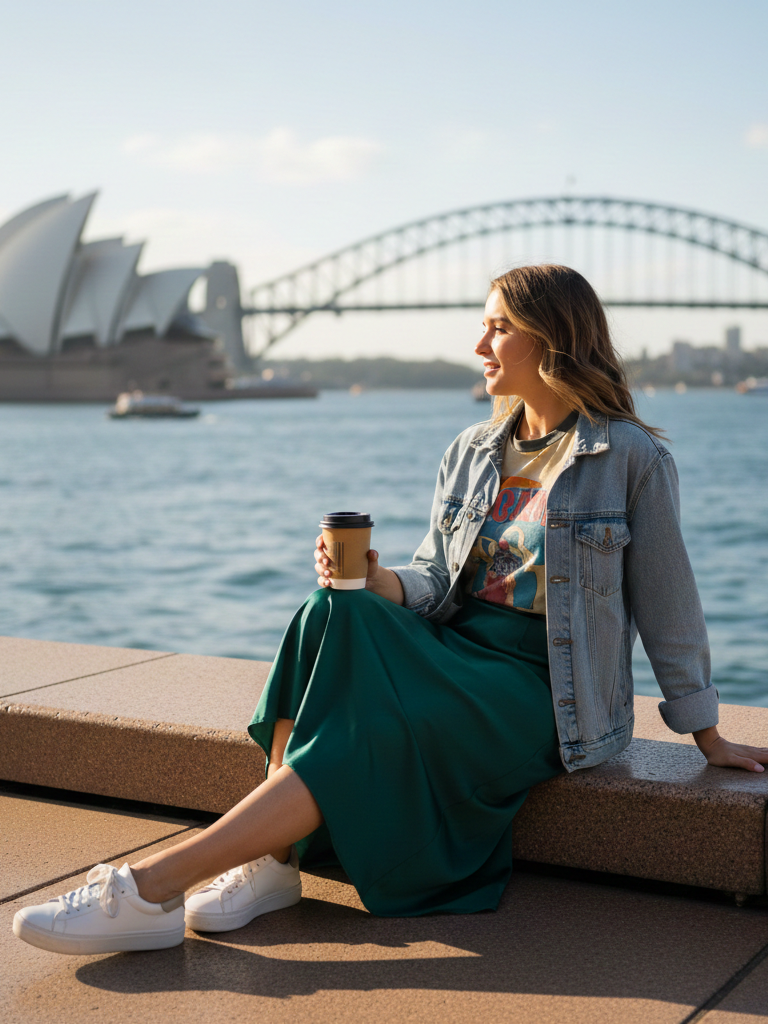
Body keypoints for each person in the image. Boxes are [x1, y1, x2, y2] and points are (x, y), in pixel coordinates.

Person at [14, 264, 768, 956]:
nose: (480, 342)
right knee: (327, 608)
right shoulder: (473, 449)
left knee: (359, 731)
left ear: (555, 336)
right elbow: (439, 579)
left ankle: (151, 887)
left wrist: (706, 733)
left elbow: (671, 601)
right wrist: (376, 582)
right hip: (457, 648)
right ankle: (269, 866)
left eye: (499, 326)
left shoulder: (631, 457)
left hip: (543, 687)